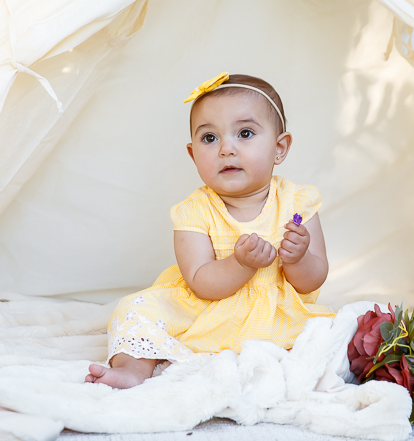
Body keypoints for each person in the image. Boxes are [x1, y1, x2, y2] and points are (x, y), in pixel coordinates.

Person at [86, 73, 334, 389]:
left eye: (245, 133)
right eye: (209, 138)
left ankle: (273, 369)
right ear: (193, 155)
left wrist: (299, 258)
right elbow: (201, 281)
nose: (226, 149)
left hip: (276, 312)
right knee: (134, 311)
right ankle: (132, 370)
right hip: (207, 309)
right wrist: (240, 264)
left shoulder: (298, 203)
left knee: (328, 337)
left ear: (279, 148)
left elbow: (313, 280)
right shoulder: (194, 210)